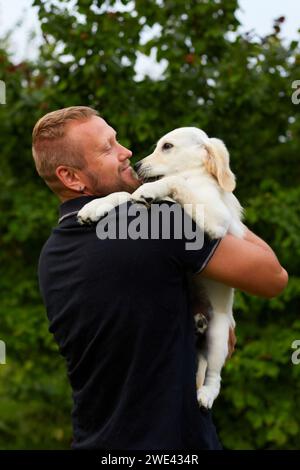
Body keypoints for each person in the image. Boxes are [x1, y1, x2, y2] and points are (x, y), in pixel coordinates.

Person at [32, 106, 288, 450]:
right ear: (72, 177)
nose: (126, 153)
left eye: (117, 140)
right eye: (108, 149)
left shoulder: (52, 254)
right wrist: (212, 189)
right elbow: (272, 276)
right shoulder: (156, 223)